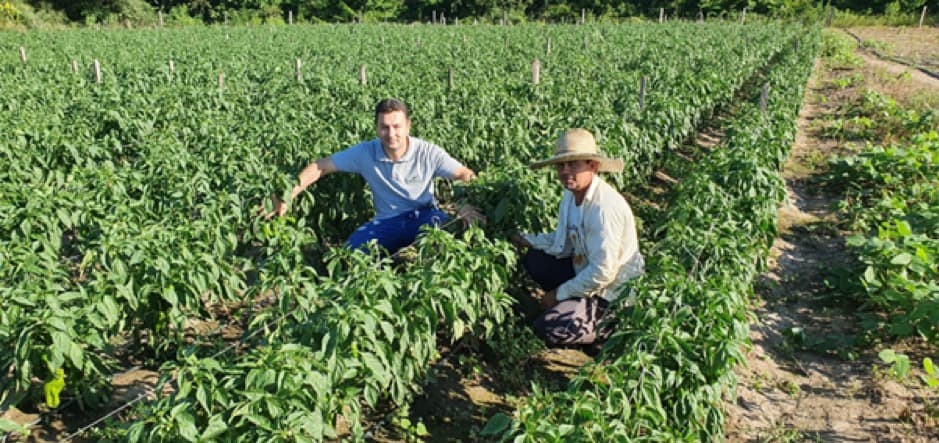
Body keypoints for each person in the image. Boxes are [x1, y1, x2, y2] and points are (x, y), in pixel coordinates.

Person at [264, 98, 482, 253]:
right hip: (387, 222)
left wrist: (464, 202)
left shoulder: (427, 152)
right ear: (377, 128)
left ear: (408, 126)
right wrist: (288, 195)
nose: (391, 134)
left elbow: (464, 174)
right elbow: (321, 166)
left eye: (396, 126)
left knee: (448, 243)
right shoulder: (366, 153)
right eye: (384, 127)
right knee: (352, 254)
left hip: (425, 217)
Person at [510, 128, 644, 346]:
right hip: (583, 270)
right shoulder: (571, 196)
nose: (565, 171)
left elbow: (603, 273)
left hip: (610, 293)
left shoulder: (603, 208)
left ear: (593, 165)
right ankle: (573, 303)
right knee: (535, 259)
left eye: (573, 164)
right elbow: (562, 244)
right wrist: (528, 239)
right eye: (560, 165)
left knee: (552, 327)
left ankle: (608, 326)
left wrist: (558, 294)